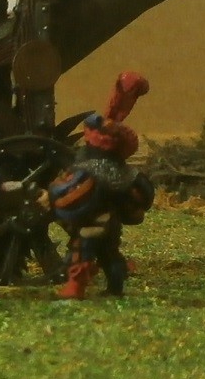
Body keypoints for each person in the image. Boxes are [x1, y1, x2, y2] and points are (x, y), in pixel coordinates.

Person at [44, 72, 156, 299]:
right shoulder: (126, 173)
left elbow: (68, 192)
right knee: (109, 254)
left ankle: (75, 289)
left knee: (80, 254)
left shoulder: (87, 170)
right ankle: (115, 288)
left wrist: (52, 194)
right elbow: (144, 194)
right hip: (111, 222)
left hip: (90, 223)